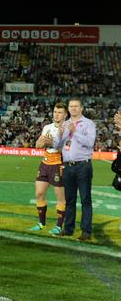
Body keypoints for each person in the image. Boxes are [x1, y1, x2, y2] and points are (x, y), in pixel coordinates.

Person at [52, 98, 96, 241]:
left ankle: (86, 231)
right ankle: (69, 229)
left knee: (85, 199)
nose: (73, 108)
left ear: (81, 108)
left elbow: (90, 144)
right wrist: (59, 134)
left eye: (76, 106)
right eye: (71, 106)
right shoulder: (65, 124)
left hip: (83, 165)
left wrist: (75, 131)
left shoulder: (88, 124)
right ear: (69, 109)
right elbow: (58, 146)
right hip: (67, 166)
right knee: (69, 200)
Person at [29, 102, 68, 235]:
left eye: (60, 112)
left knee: (60, 198)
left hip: (59, 163)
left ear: (65, 115)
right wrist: (45, 142)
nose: (56, 115)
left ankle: (58, 226)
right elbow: (37, 145)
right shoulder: (47, 127)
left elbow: (62, 147)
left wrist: (49, 142)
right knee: (39, 194)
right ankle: (41, 223)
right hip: (45, 163)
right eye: (55, 112)